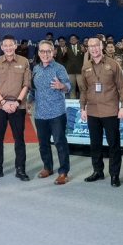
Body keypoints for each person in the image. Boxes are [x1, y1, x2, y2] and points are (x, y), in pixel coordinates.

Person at [79, 36, 123, 187]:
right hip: (93, 111)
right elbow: (83, 89)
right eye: (90, 46)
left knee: (114, 144)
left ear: (102, 46)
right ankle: (98, 171)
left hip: (111, 110)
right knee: (95, 144)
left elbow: (122, 87)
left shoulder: (113, 64)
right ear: (88, 48)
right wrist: (82, 107)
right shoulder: (86, 66)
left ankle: (114, 175)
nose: (93, 48)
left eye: (96, 45)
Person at [0, 36, 32, 180]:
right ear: (1, 47)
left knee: (19, 139)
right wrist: (3, 103)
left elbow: (26, 84)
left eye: (10, 45)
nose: (8, 48)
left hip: (18, 106)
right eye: (5, 45)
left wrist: (17, 102)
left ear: (15, 46)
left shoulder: (24, 62)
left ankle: (20, 169)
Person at [31, 40, 73, 184]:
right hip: (40, 113)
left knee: (60, 143)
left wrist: (62, 86)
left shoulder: (59, 68)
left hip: (57, 112)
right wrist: (29, 101)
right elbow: (33, 88)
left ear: (53, 52)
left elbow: (69, 86)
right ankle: (47, 167)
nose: (45, 54)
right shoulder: (35, 69)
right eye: (42, 51)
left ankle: (63, 172)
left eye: (48, 51)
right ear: (38, 53)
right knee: (43, 143)